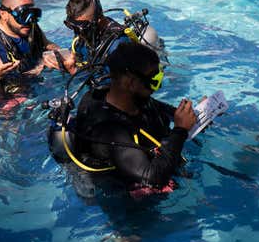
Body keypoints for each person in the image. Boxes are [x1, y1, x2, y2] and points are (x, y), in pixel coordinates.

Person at [69, 41, 197, 195]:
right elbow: (152, 179)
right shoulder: (108, 129)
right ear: (130, 82)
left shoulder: (134, 98)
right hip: (126, 199)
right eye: (152, 80)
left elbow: (170, 113)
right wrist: (180, 130)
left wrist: (197, 114)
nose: (158, 87)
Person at [0, 0, 74, 89]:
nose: (29, 20)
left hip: (35, 80)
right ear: (4, 14)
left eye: (33, 14)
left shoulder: (30, 27)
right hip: (9, 93)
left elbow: (47, 44)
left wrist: (57, 55)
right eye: (23, 15)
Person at [63, 0, 161, 74]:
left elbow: (115, 84)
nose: (77, 33)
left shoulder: (118, 45)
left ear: (98, 21)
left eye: (81, 28)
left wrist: (74, 71)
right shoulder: (85, 34)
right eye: (74, 27)